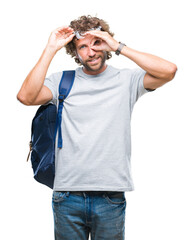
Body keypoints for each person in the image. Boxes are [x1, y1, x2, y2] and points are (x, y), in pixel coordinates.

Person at [17, 15, 177, 240]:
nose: (91, 52)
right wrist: (50, 49)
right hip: (67, 195)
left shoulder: (126, 80)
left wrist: (118, 46)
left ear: (106, 43)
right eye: (83, 46)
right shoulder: (62, 80)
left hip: (110, 196)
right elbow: (26, 96)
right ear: (75, 52)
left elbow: (168, 71)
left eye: (97, 43)